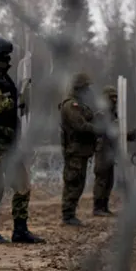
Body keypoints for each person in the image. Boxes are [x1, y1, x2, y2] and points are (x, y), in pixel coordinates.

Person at [0, 36, 45, 244]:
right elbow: (0, 106)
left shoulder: (1, 77)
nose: (8, 60)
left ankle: (20, 230)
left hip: (10, 140)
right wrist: (18, 101)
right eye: (5, 56)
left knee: (22, 184)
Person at [93, 85, 136, 216]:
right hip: (102, 149)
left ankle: (104, 205)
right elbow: (99, 130)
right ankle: (98, 207)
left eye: (115, 97)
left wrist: (129, 135)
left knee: (109, 179)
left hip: (111, 149)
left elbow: (117, 133)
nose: (114, 100)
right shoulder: (101, 113)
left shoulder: (114, 114)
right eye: (112, 97)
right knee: (102, 179)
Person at [59, 72, 98, 226]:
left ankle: (70, 214)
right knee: (73, 181)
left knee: (78, 182)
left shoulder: (80, 104)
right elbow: (80, 125)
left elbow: (87, 117)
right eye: (86, 87)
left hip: (80, 150)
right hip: (74, 150)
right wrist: (98, 128)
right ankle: (68, 215)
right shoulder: (71, 105)